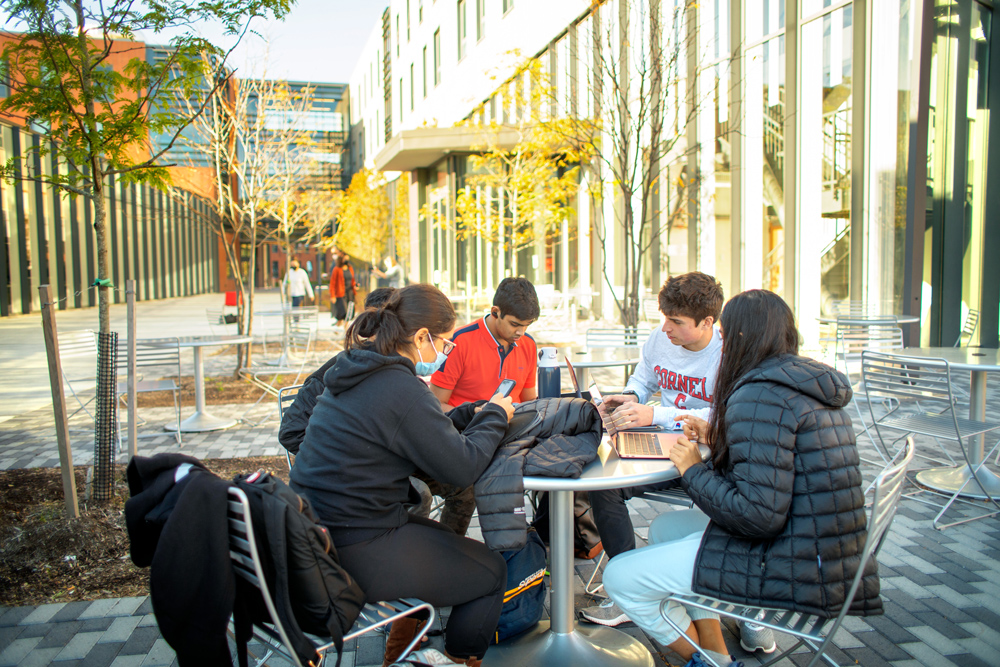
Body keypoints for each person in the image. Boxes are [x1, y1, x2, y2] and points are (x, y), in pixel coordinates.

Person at [600, 289, 880, 667]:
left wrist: (692, 469)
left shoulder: (756, 396)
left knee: (620, 577)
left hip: (792, 566)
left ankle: (709, 664)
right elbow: (776, 458)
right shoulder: (799, 384)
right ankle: (716, 649)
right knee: (666, 527)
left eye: (727, 335)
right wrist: (718, 436)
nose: (723, 345)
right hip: (826, 552)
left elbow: (757, 514)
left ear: (738, 337)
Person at [290, 284, 515, 667]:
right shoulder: (401, 386)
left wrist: (468, 415)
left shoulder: (355, 369)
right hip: (356, 548)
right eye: (445, 343)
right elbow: (461, 468)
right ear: (422, 337)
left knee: (450, 546)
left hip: (314, 536)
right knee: (492, 570)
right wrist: (496, 414)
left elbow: (411, 435)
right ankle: (457, 659)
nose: (445, 354)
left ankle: (410, 651)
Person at [430, 277, 540, 412]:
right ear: (495, 312)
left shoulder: (528, 344)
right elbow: (436, 406)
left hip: (514, 427)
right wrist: (477, 415)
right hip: (466, 428)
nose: (520, 332)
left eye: (527, 325)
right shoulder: (459, 341)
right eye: (514, 324)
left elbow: (529, 403)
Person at [329, 254, 355, 329]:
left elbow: (353, 280)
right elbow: (332, 283)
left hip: (350, 292)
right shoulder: (337, 269)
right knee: (344, 311)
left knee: (350, 312)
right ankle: (345, 330)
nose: (347, 260)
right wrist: (332, 295)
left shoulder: (350, 268)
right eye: (345, 259)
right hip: (341, 293)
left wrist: (355, 286)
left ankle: (339, 328)